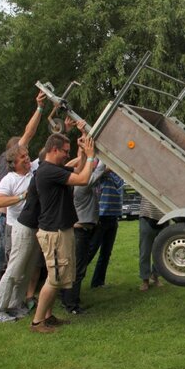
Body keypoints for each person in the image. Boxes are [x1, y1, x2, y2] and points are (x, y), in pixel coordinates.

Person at [0, 91, 47, 310]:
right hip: (9, 222)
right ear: (14, 153)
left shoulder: (26, 167)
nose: (27, 155)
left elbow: (45, 152)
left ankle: (13, 301)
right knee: (6, 264)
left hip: (15, 221)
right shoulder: (8, 170)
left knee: (4, 262)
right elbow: (30, 131)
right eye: (23, 152)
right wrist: (39, 108)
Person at [30, 130, 96, 333]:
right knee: (55, 278)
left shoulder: (53, 169)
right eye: (65, 151)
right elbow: (83, 178)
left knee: (57, 277)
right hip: (54, 233)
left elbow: (76, 168)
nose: (67, 155)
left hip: (59, 230)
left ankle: (48, 317)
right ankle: (37, 322)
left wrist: (82, 151)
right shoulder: (49, 171)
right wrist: (91, 155)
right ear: (54, 149)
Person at [0, 144, 38, 323]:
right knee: (14, 269)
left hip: (33, 227)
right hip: (18, 228)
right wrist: (23, 196)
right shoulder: (9, 179)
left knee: (26, 269)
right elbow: (0, 201)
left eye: (27, 155)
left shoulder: (34, 170)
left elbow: (49, 155)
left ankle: (15, 306)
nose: (27, 159)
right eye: (23, 157)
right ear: (13, 163)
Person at [60, 155, 106, 314]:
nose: (91, 165)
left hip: (82, 230)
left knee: (74, 267)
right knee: (77, 269)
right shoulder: (82, 184)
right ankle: (72, 305)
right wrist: (103, 153)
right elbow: (100, 170)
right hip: (80, 231)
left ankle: (67, 299)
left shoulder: (79, 183)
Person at [89, 169, 124, 288]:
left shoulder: (119, 175)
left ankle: (98, 282)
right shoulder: (103, 173)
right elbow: (95, 174)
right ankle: (73, 283)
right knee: (90, 251)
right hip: (102, 217)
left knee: (106, 252)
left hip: (114, 217)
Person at [137, 197, 167, 291]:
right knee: (145, 252)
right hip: (147, 216)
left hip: (164, 218)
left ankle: (155, 277)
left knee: (160, 252)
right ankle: (145, 280)